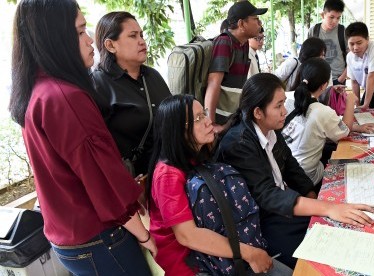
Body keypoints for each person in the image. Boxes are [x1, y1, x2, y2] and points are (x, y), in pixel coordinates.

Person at [9, 0, 156, 275]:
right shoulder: (66, 98)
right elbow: (103, 182)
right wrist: (146, 237)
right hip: (99, 238)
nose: (90, 41)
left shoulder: (38, 90)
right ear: (54, 38)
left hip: (67, 238)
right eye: (80, 32)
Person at [215, 73, 374, 268]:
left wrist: (315, 200)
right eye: (278, 106)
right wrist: (327, 208)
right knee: (327, 255)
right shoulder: (239, 144)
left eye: (284, 103)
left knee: (340, 224)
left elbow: (292, 167)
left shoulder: (269, 129)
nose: (284, 111)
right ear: (258, 112)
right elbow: (268, 196)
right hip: (262, 221)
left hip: (281, 206)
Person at [146, 95, 292, 275]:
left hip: (218, 251)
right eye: (198, 119)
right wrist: (249, 253)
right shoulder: (167, 175)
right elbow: (188, 236)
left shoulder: (194, 158)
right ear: (176, 131)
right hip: (192, 264)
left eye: (204, 114)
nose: (208, 121)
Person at [91, 11, 171, 177]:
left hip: (167, 174)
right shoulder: (98, 84)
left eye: (141, 35)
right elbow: (96, 146)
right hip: (132, 182)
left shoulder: (153, 76)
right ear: (110, 45)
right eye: (133, 36)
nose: (142, 41)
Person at [282, 58, 374, 185]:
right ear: (324, 85)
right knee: (345, 158)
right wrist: (350, 102)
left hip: (285, 171)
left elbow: (320, 123)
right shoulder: (322, 111)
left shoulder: (287, 100)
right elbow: (345, 132)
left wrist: (357, 127)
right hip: (305, 177)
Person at [204, 0, 267, 132]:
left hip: (232, 119)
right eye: (255, 19)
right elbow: (213, 83)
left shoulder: (243, 45)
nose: (260, 24)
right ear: (241, 24)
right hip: (220, 121)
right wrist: (211, 124)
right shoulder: (224, 42)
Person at [346, 22, 374, 109]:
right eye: (351, 44)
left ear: (367, 39)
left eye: (359, 43)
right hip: (369, 90)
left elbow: (372, 76)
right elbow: (354, 82)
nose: (355, 48)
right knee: (362, 115)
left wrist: (366, 105)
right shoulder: (349, 57)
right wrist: (358, 104)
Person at [308, 0, 348, 86]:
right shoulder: (313, 31)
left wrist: (342, 78)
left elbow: (352, 56)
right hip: (318, 79)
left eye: (338, 18)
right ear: (323, 15)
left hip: (338, 78)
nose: (335, 21)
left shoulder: (342, 31)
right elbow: (307, 55)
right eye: (331, 17)